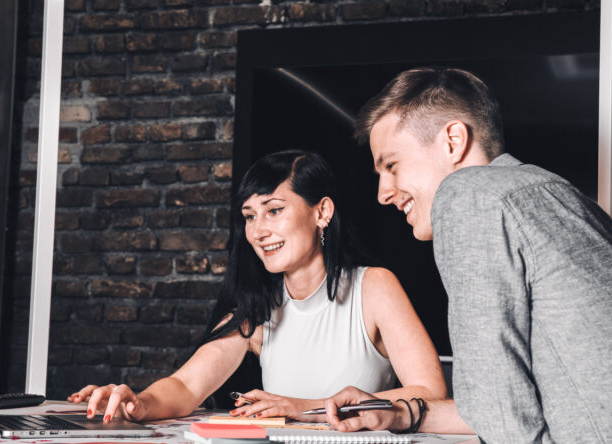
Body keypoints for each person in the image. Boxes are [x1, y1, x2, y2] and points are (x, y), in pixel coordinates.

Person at [323, 67, 612, 441]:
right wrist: (402, 414)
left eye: (391, 165)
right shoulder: (553, 194)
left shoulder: (471, 195)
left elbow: (503, 415)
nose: (383, 192)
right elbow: (517, 404)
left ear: (453, 141)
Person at [68, 150, 447, 424]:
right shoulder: (260, 306)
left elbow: (430, 393)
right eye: (250, 216)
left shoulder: (374, 286)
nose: (258, 230)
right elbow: (185, 386)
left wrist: (307, 407)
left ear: (322, 212)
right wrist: (138, 402)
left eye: (274, 210)